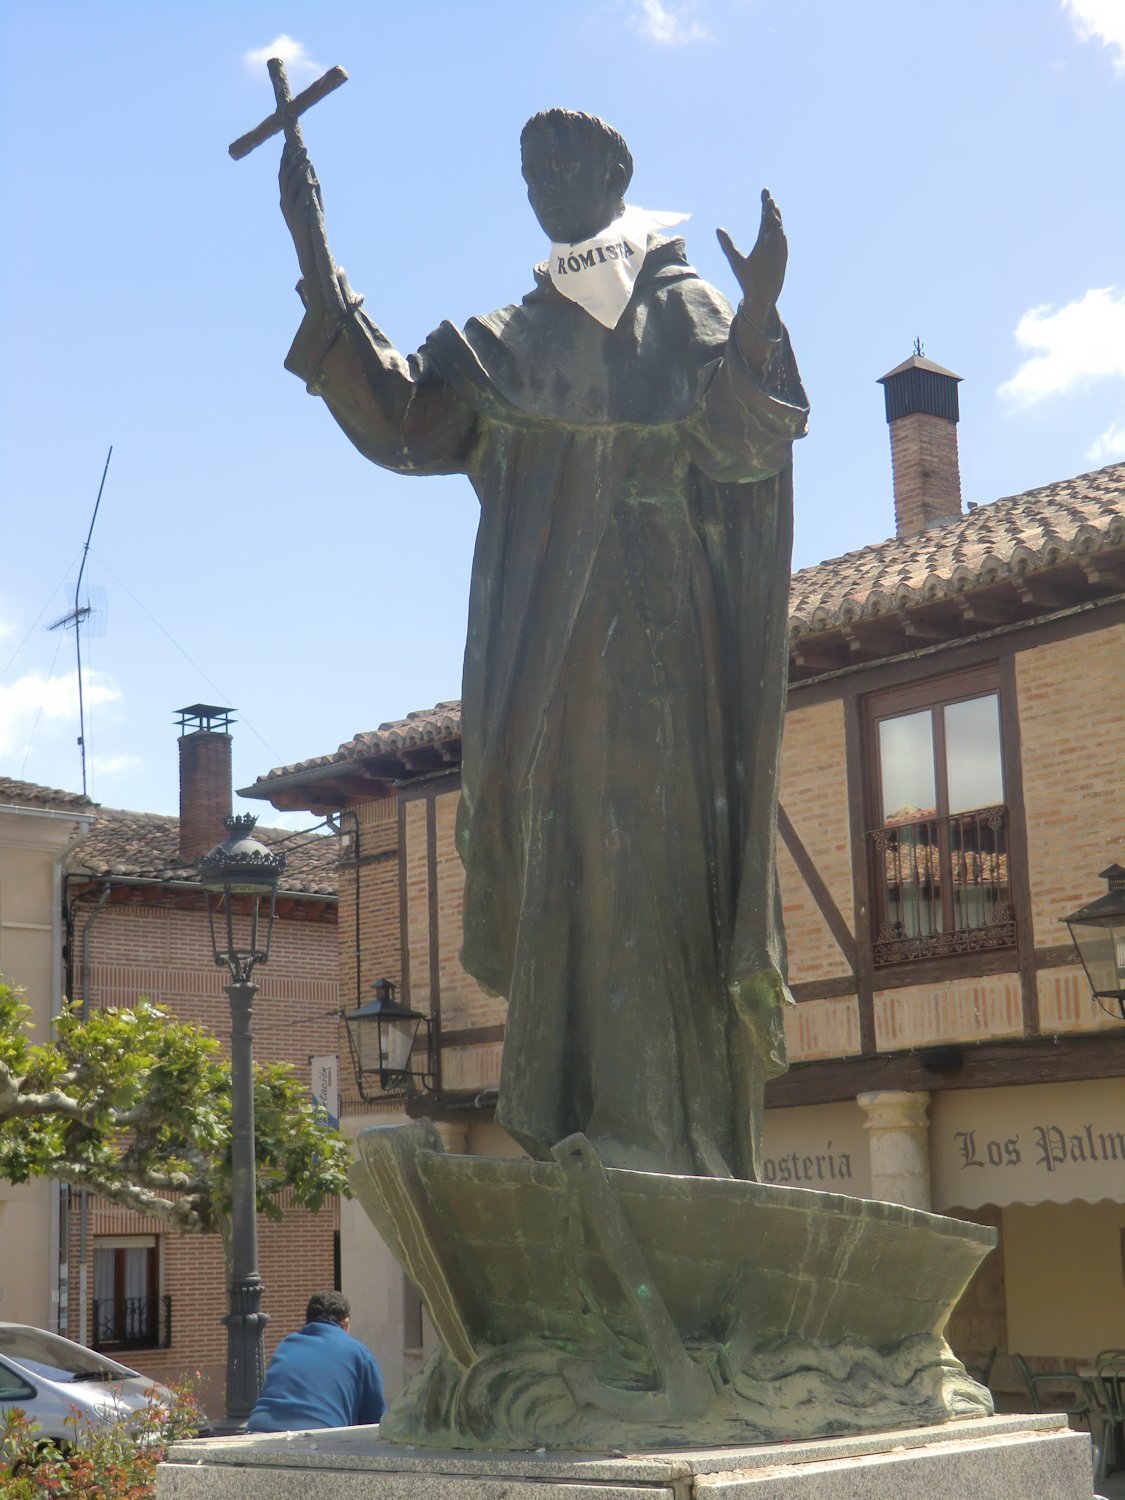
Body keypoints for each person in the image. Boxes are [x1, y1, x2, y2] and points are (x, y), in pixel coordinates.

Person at [278, 108, 808, 1181]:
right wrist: (313, 254)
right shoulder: (513, 336)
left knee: (656, 867)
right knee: (567, 857)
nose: (545, 185)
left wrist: (756, 318)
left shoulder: (685, 310)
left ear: (619, 170)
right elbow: (405, 424)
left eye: (564, 166)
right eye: (530, 172)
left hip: (666, 641)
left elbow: (750, 450)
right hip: (548, 655)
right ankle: (584, 1121)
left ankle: (669, 1142)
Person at [246, 1290, 385, 1432]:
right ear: (345, 1323)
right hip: (319, 1435)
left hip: (258, 1429)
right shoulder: (359, 1353)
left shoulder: (286, 1345)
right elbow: (374, 1424)